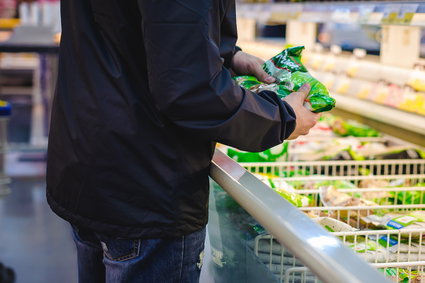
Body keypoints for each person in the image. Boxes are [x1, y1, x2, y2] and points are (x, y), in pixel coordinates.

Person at [46, 0, 318, 282]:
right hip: (147, 187)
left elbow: (128, 28)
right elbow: (191, 92)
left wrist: (226, 56)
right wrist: (282, 117)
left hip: (93, 159)